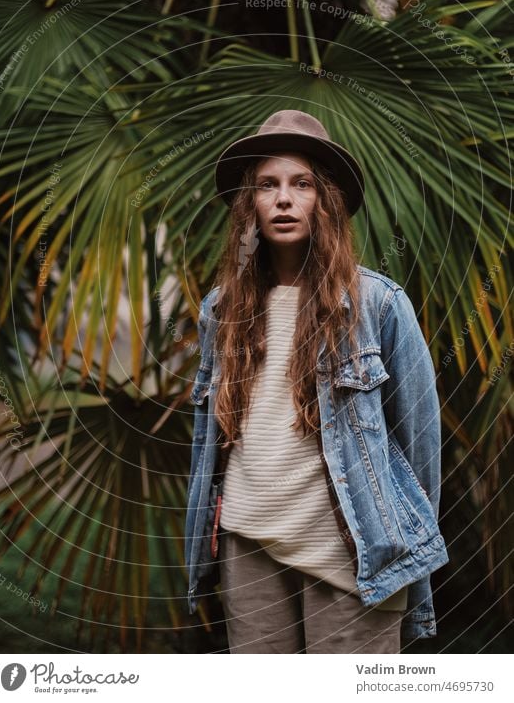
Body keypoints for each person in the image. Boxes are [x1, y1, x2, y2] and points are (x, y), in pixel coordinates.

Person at [184, 109, 449, 654]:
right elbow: (210, 442)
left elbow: (420, 446)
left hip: (354, 552)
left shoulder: (378, 304)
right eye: (267, 185)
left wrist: (404, 552)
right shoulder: (220, 310)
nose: (283, 199)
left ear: (324, 200)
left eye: (301, 184)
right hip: (248, 543)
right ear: (249, 205)